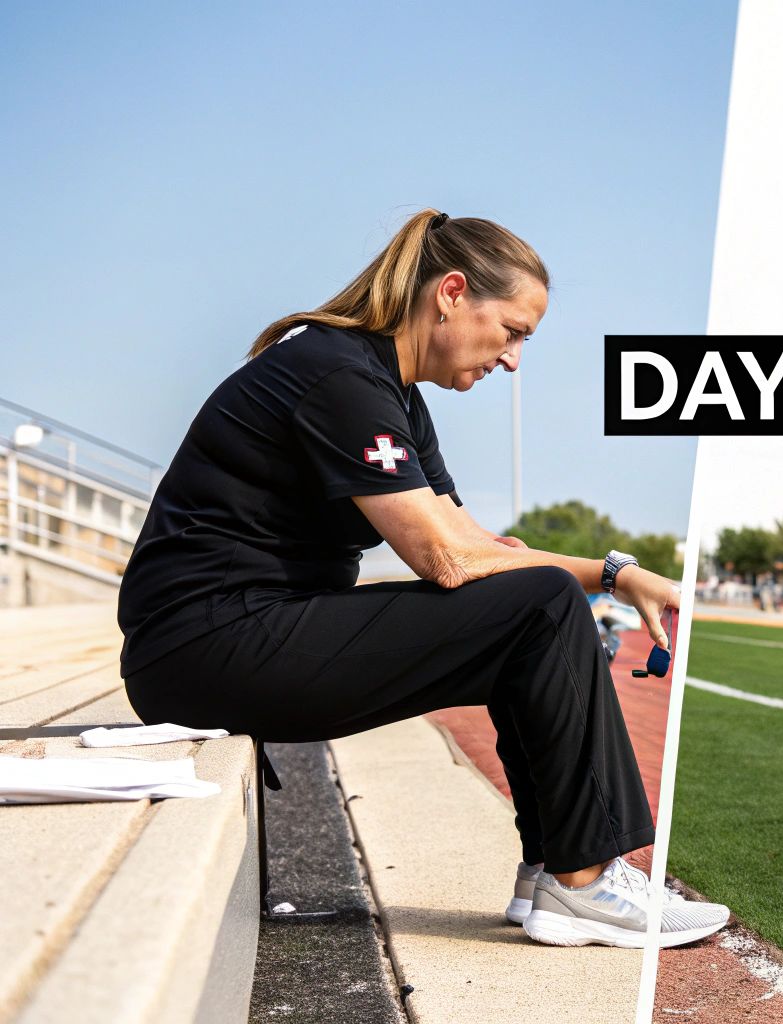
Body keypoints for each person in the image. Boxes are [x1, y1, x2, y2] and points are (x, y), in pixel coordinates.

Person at [116, 209, 729, 948]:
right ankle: (587, 882)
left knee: (533, 609)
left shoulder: (390, 389)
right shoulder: (336, 372)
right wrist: (602, 575)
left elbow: (473, 543)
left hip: (238, 636)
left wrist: (615, 573)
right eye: (513, 331)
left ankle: (552, 872)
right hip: (204, 648)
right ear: (452, 293)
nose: (512, 361)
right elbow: (447, 561)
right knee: (541, 605)